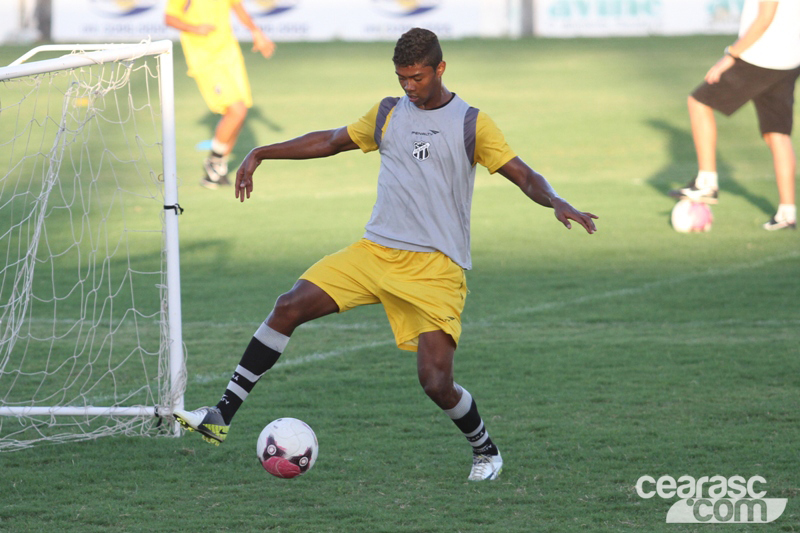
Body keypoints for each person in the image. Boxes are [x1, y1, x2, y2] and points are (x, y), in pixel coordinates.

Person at [174, 28, 598, 481]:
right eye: (401, 77)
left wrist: (555, 200)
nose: (408, 86)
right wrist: (262, 151)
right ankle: (220, 416)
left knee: (436, 384)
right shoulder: (388, 113)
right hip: (375, 253)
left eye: (416, 77)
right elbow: (332, 140)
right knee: (288, 305)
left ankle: (485, 451)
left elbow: (523, 174)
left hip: (435, 269)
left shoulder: (471, 122)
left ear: (440, 69)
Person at [671, 0, 800, 230]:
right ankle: (787, 213)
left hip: (761, 56)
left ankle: (706, 182)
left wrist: (731, 55)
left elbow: (764, 19)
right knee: (777, 134)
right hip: (789, 59)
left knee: (698, 102)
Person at [165, 0, 275, 189]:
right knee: (237, 111)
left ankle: (216, 171)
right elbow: (169, 18)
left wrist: (256, 31)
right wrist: (195, 28)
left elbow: (238, 8)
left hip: (230, 56)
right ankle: (213, 163)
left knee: (240, 112)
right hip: (205, 59)